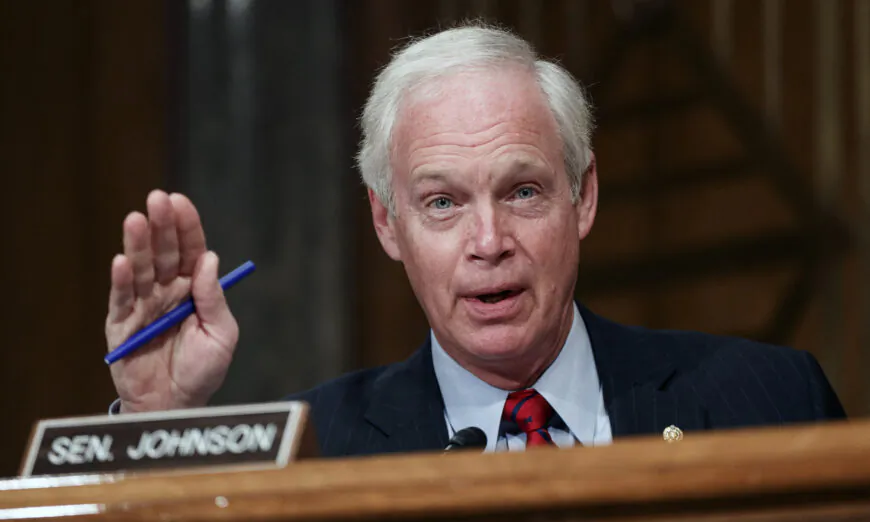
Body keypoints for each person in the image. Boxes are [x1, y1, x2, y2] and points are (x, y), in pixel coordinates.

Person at [105, 24, 845, 456]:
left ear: (583, 196)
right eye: (442, 203)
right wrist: (153, 428)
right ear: (386, 224)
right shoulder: (309, 448)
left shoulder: (771, 401)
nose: (489, 241)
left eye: (523, 192)